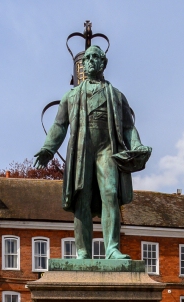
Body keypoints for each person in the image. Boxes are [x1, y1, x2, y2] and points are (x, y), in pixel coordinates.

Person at [34, 45, 151, 260]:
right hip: (81, 150)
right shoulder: (72, 96)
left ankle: (112, 248)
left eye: (95, 57)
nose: (90, 61)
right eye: (87, 58)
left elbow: (128, 127)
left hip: (107, 149)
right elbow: (59, 126)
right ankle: (83, 252)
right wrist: (48, 149)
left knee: (110, 194)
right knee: (82, 198)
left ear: (103, 63)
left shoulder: (116, 95)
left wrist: (136, 145)